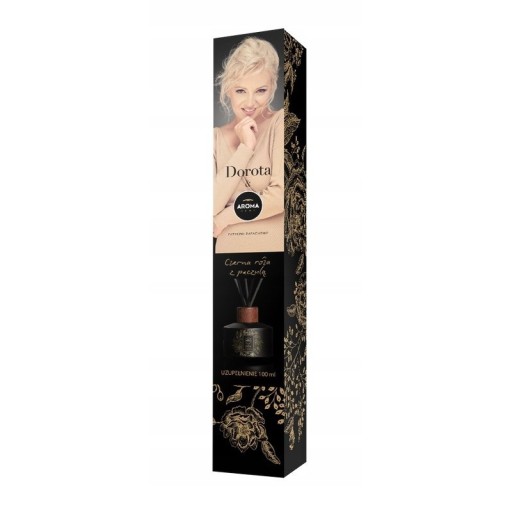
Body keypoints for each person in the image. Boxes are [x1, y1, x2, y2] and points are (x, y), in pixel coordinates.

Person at [214, 37, 284, 253]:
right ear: (228, 89)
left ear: (272, 87)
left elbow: (282, 196)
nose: (251, 103)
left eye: (260, 90)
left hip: (275, 254)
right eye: (241, 91)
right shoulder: (214, 138)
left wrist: (224, 217)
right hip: (227, 257)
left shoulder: (281, 122)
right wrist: (245, 148)